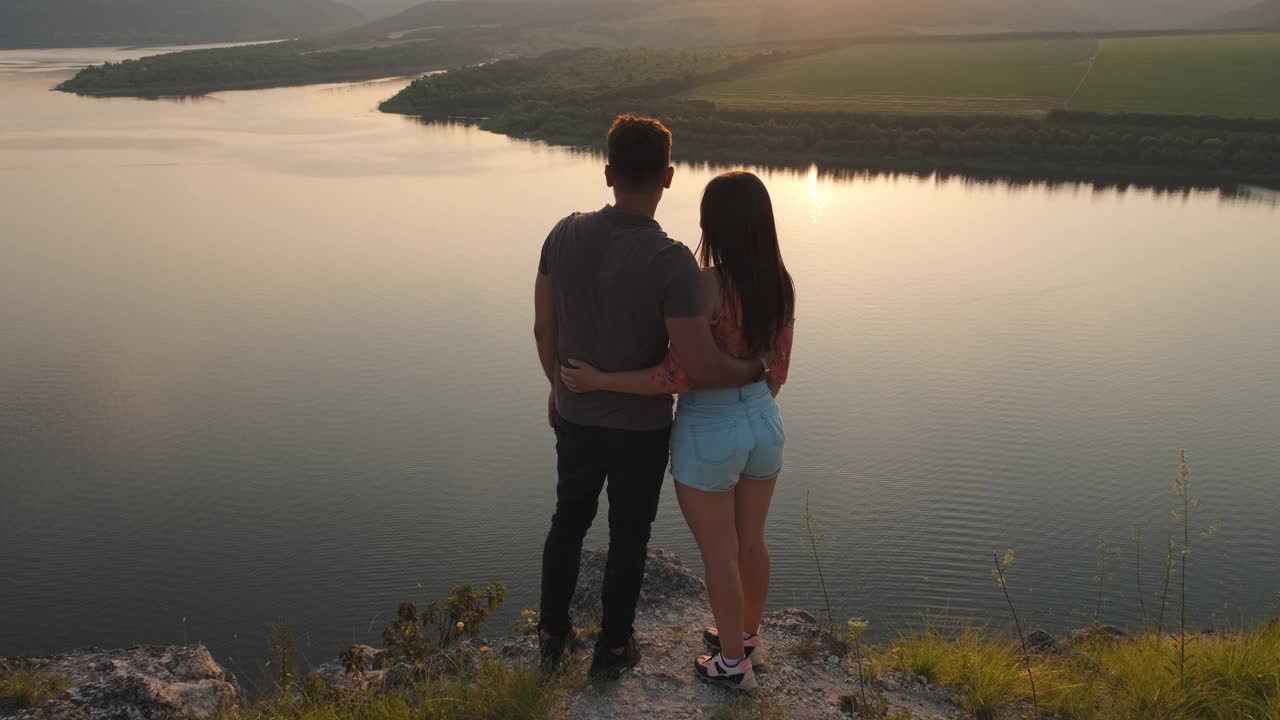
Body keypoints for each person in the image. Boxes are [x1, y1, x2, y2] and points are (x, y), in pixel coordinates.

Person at [533, 116, 765, 679]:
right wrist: (755, 368)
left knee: (568, 521)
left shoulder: (562, 234)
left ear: (608, 172)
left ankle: (551, 636)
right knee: (628, 535)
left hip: (577, 415)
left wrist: (558, 388)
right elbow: (702, 365)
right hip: (641, 428)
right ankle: (613, 650)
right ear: (667, 177)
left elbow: (545, 328)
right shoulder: (672, 261)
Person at [561, 171, 795, 692]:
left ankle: (733, 665)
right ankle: (748, 637)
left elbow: (676, 376)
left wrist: (600, 379)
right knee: (751, 539)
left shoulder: (704, 283)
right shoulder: (781, 282)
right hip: (764, 421)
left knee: (719, 553)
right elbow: (777, 367)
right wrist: (750, 403)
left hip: (710, 427)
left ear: (713, 222)